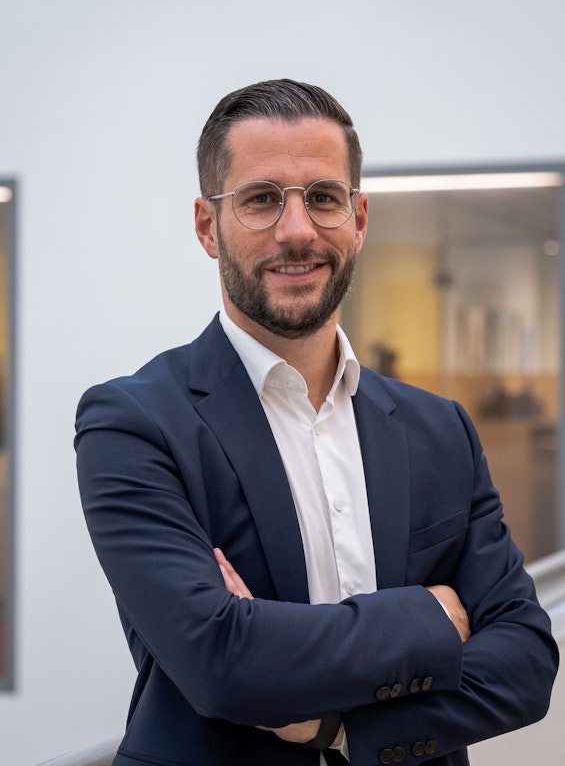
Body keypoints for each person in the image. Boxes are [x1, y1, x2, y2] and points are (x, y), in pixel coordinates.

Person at [75, 79, 558, 766]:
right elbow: (222, 662)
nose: (297, 230)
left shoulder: (439, 430)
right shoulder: (135, 424)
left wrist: (334, 727)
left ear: (358, 219)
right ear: (208, 226)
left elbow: (525, 662)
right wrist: (431, 616)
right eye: (261, 199)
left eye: (323, 198)